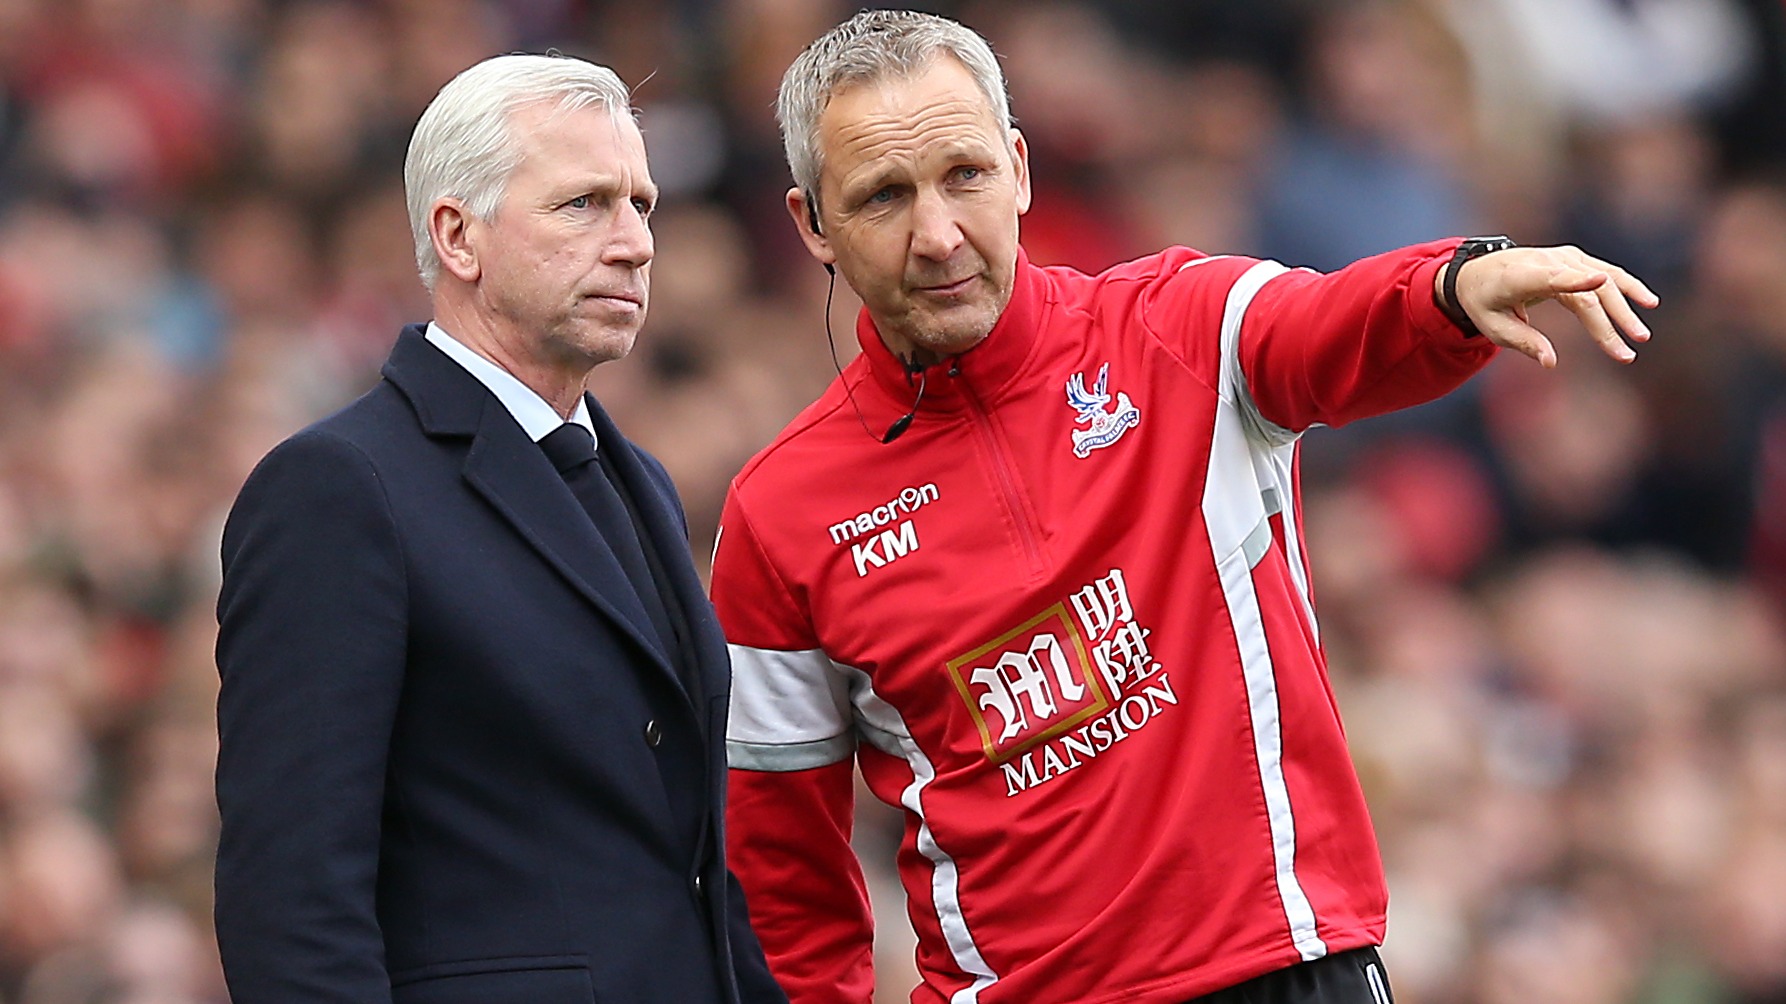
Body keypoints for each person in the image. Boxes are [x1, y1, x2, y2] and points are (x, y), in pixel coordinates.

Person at [711, 11, 1657, 1004]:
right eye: (883, 196)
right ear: (812, 223)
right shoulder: (779, 517)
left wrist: (1455, 283)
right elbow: (782, 889)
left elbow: (1332, 326)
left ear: (1020, 169)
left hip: (1286, 965)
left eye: (966, 175)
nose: (938, 231)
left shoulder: (1178, 328)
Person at [214, 53, 785, 1004]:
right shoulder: (338, 488)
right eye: (584, 205)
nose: (637, 243)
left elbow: (686, 860)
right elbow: (292, 901)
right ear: (458, 236)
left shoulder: (634, 474)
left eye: (642, 205)